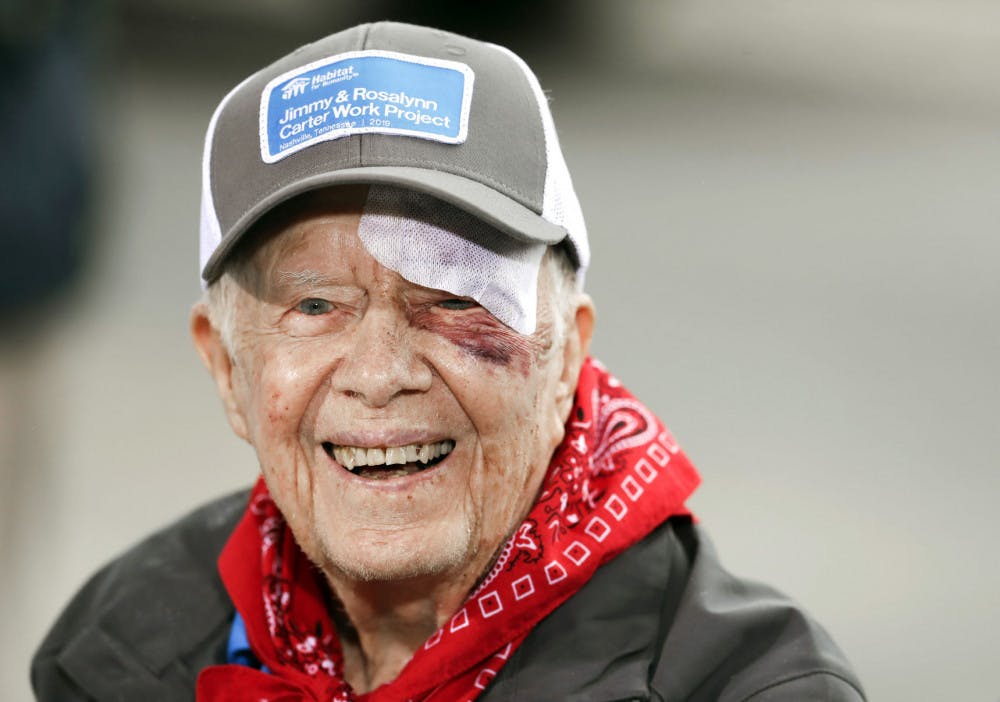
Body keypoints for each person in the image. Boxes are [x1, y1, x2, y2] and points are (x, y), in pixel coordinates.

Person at [32, 22, 866, 701]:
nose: (379, 373)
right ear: (226, 370)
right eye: (315, 307)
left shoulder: (751, 688)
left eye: (454, 299)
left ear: (568, 352)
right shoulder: (120, 647)